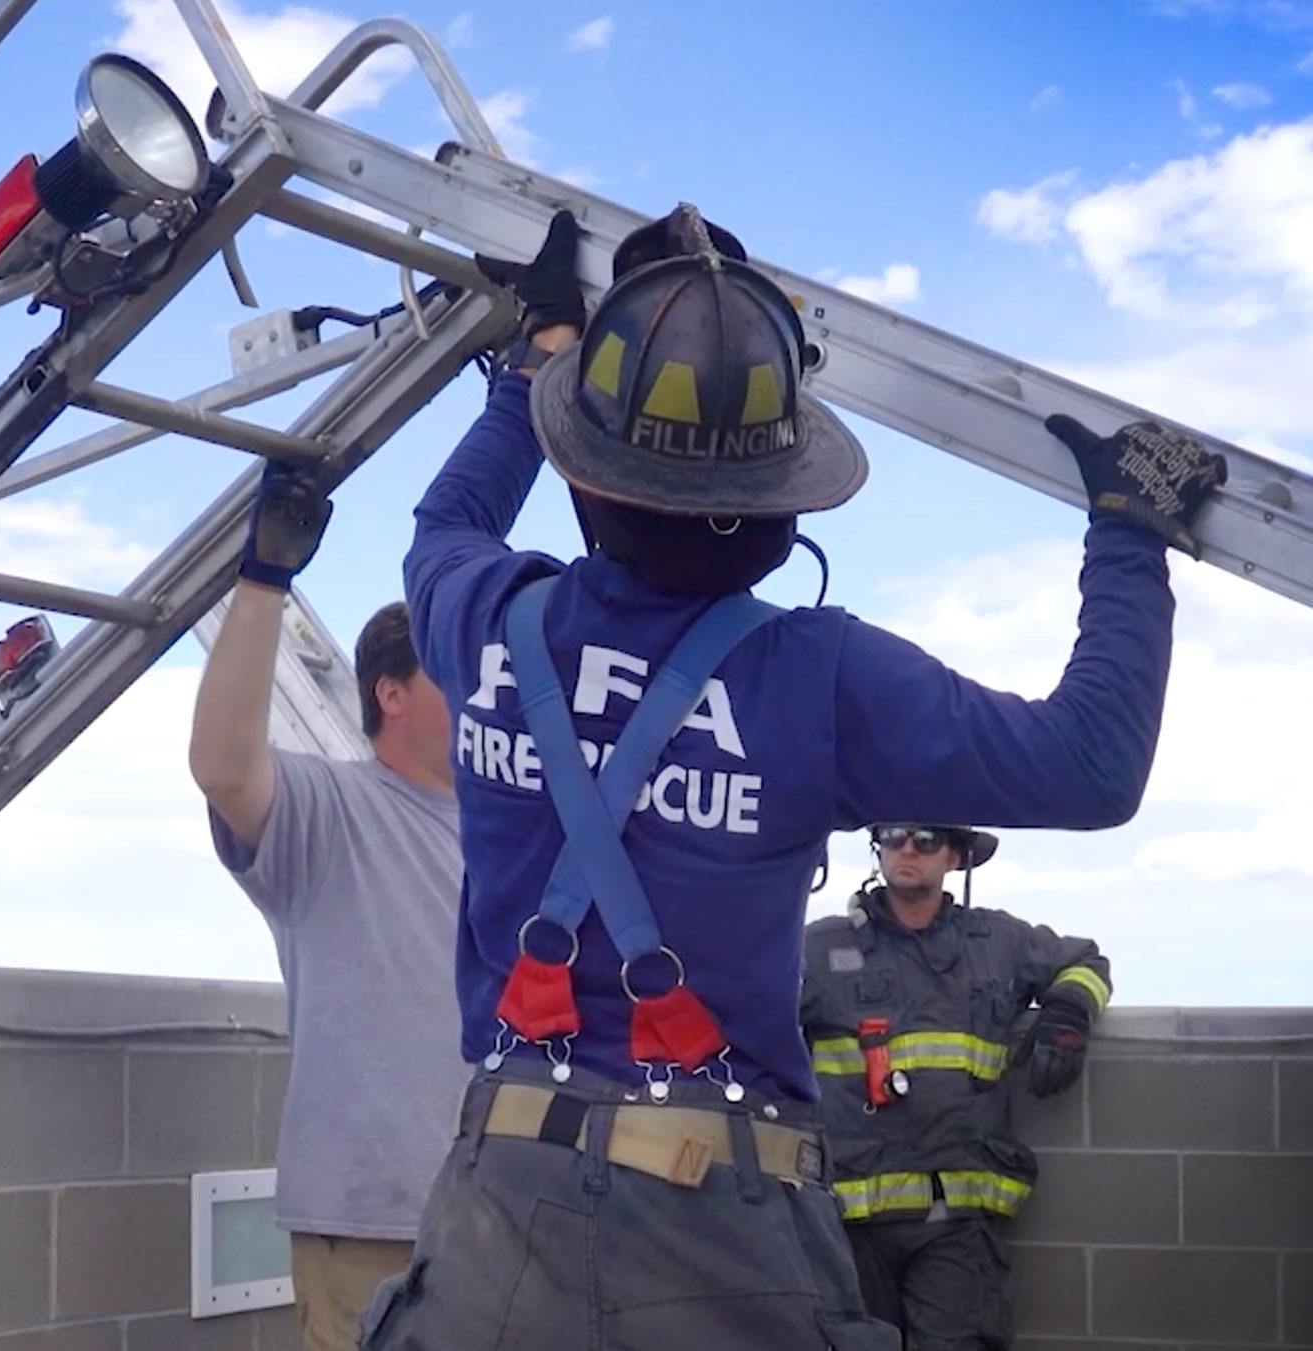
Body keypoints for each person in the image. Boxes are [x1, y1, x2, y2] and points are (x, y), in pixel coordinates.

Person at [351, 204, 1224, 1349]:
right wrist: (1124, 533)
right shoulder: (815, 680)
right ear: (780, 504)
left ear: (584, 476)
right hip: (724, 1229)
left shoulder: (485, 624)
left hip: (492, 1232)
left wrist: (544, 349)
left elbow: (444, 519)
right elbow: (1090, 762)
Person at [188, 469, 465, 1351]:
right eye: (455, 671)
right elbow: (225, 765)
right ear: (392, 693)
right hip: (371, 1224)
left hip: (500, 1215)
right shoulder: (330, 809)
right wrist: (264, 582)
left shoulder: (517, 833)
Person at [802, 822, 1109, 1349]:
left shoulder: (1000, 943)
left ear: (956, 857)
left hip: (958, 1230)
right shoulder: (819, 948)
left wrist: (1066, 1015)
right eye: (894, 835)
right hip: (850, 1223)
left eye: (925, 840)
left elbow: (1086, 962)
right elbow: (750, 1016)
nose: (906, 849)